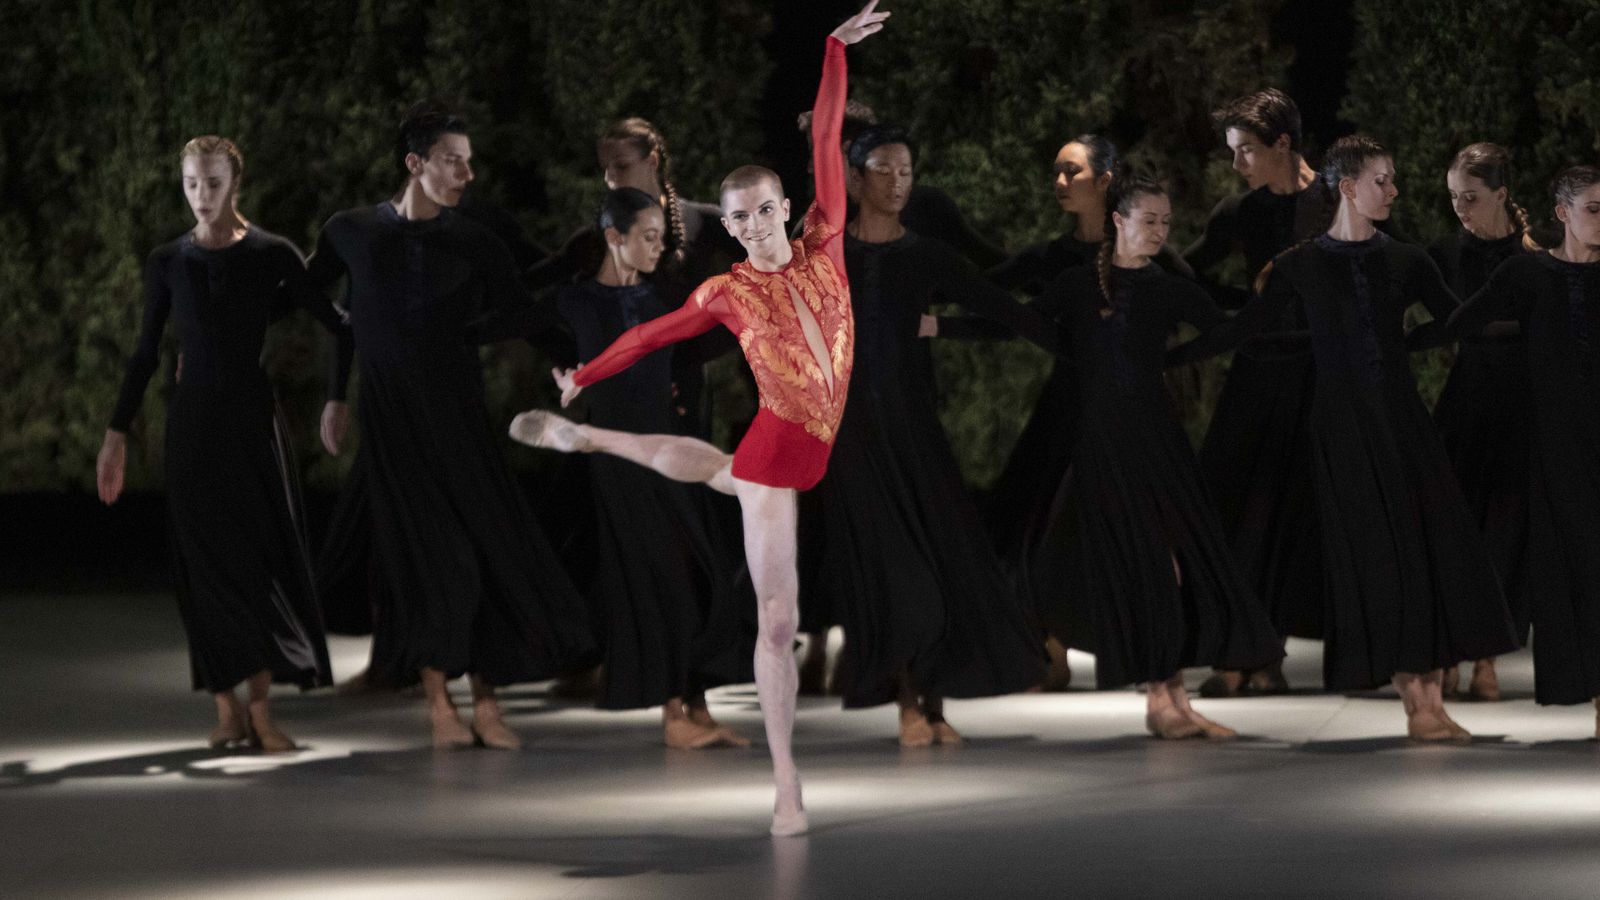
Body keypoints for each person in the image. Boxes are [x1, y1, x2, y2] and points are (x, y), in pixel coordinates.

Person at [509, 2, 889, 836]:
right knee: (778, 617)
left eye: (762, 210)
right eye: (737, 217)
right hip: (779, 447)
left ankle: (593, 440)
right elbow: (648, 336)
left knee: (718, 473)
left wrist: (833, 47)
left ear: (784, 207)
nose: (750, 227)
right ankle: (786, 782)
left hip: (828, 439)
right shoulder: (726, 291)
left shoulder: (827, 235)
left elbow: (827, 135)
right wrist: (584, 376)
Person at [1174, 136, 1520, 741]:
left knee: (1429, 553)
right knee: (1381, 562)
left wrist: (1539, 309)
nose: (1394, 191)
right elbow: (1246, 331)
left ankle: (1428, 705)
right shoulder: (1299, 265)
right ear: (1348, 187)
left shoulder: (1407, 261)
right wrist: (1163, 354)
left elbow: (1460, 320)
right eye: (1383, 181)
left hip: (1403, 425)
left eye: (1392, 179)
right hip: (1342, 432)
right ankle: (1418, 705)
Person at [308, 101, 596, 750]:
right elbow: (308, 298)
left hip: (459, 421)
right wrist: (334, 392)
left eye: (469, 161)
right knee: (431, 562)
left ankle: (487, 705)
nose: (467, 173)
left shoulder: (474, 240)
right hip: (392, 425)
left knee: (483, 555)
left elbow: (521, 312)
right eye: (452, 161)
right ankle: (440, 705)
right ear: (415, 163)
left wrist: (565, 358)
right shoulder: (352, 231)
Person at [96, 136, 351, 753]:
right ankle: (225, 708)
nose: (201, 195)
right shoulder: (168, 260)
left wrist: (337, 399)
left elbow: (339, 325)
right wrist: (115, 434)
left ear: (235, 183)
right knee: (202, 564)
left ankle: (261, 711)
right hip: (193, 427)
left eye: (212, 183)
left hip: (251, 423)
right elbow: (145, 352)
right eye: (191, 183)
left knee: (258, 559)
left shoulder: (270, 252)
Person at [809, 124, 1054, 743]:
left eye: (906, 172)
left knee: (945, 563)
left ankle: (932, 701)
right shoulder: (825, 253)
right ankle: (909, 702)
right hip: (853, 440)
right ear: (855, 178)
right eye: (884, 171)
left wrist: (1082, 333)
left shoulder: (927, 257)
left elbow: (1007, 313)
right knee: (895, 571)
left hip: (916, 433)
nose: (898, 183)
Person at [1029, 174, 1280, 738]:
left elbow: (1230, 331)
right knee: (1148, 569)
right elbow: (1024, 320)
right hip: (1105, 448)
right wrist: (939, 323)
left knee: (1178, 564)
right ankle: (1161, 702)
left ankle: (1174, 699)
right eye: (1150, 220)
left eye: (1166, 222)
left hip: (1159, 444)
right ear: (1118, 221)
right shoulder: (1078, 285)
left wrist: (1267, 300)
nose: (1160, 231)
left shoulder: (1167, 288)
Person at [984, 135, 1191, 688]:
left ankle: (1136, 650)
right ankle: (1049, 642)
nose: (1059, 182)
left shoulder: (1149, 252)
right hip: (1066, 410)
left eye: (1071, 172)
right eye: (1056, 171)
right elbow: (991, 300)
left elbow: (1198, 303)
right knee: (1043, 524)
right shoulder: (1052, 259)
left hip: (1132, 411)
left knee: (1127, 527)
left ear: (1105, 181)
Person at [559, 186, 754, 748]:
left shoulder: (666, 297)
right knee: (655, 578)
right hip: (618, 459)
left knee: (702, 571)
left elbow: (702, 341)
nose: (658, 248)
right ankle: (673, 712)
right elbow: (528, 327)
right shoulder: (576, 303)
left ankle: (696, 703)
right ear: (613, 237)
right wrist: (569, 375)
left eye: (661, 238)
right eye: (647, 238)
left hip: (672, 449)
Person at [1413, 165, 1600, 733]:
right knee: (1565, 566)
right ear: (1563, 213)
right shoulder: (1527, 272)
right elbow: (1459, 323)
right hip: (1548, 444)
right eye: (1594, 209)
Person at [1182, 89, 1328, 697]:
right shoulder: (1239, 211)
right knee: (1237, 505)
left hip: (1320, 376)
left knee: (1300, 514)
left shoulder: (1337, 200)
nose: (1237, 164)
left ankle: (1266, 653)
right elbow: (1186, 272)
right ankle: (1240, 648)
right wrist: (1241, 311)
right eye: (1233, 151)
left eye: (1245, 150)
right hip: (1258, 370)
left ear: (1283, 143)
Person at [1425, 143, 1540, 701]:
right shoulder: (1445, 252)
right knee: (1456, 530)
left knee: (1507, 534)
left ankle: (1486, 660)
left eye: (1469, 197)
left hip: (1521, 410)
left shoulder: (1535, 253)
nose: (1459, 208)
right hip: (1466, 403)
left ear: (1501, 194)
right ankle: (1449, 651)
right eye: (1452, 197)